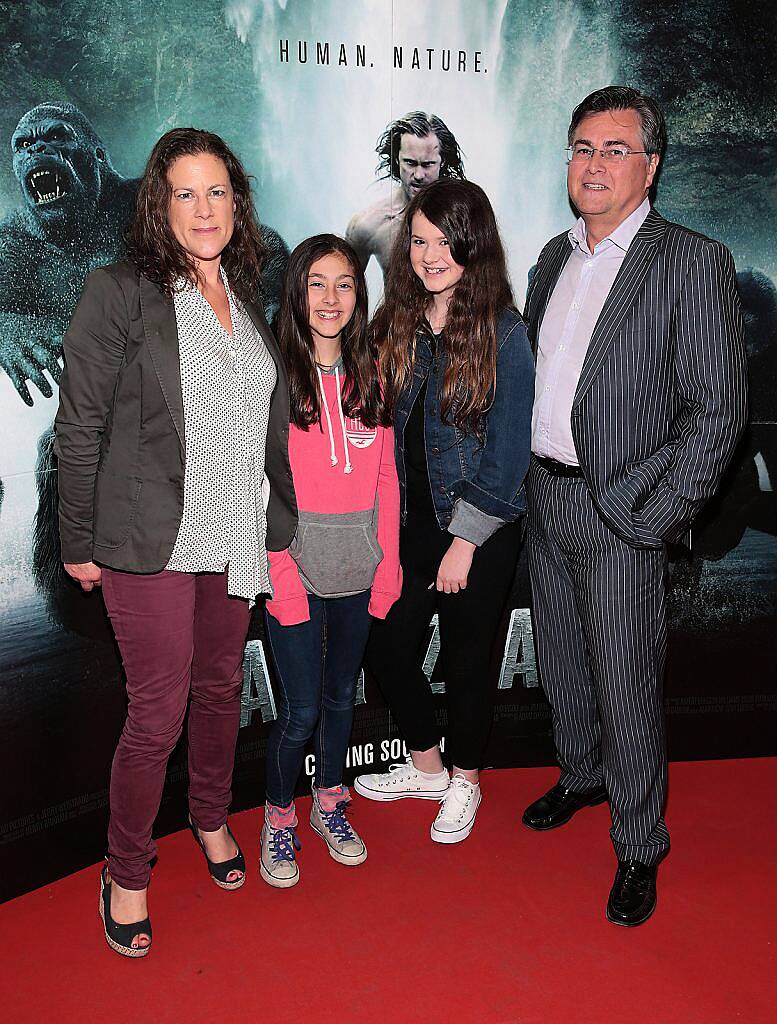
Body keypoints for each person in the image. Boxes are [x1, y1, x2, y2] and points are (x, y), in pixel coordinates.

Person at [54, 128, 297, 957]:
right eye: (184, 192)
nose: (203, 209)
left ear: (239, 202)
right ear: (158, 203)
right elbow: (80, 425)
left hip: (232, 530)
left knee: (223, 688)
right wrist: (76, 538)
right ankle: (125, 869)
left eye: (218, 191)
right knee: (157, 712)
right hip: (147, 538)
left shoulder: (245, 290)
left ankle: (207, 816)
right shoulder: (119, 290)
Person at [522, 86, 747, 926]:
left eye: (615, 149)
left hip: (622, 513)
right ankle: (580, 776)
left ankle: (639, 843)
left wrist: (656, 515)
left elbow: (717, 410)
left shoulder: (690, 261)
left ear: (649, 166)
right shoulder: (552, 257)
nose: (593, 163)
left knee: (625, 683)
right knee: (563, 666)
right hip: (543, 498)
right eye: (582, 146)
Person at [354, 178, 534, 843]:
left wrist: (465, 542)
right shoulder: (395, 321)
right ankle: (427, 766)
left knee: (464, 657)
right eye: (420, 241)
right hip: (407, 525)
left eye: (445, 242)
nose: (430, 256)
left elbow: (509, 451)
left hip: (477, 529)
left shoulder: (504, 332)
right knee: (386, 645)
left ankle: (465, 779)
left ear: (472, 244)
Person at [259, 234, 401, 887]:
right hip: (294, 564)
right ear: (296, 291)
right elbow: (256, 487)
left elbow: (386, 482)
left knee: (343, 696)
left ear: (358, 295)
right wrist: (279, 576)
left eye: (344, 283)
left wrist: (388, 564)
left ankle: (330, 803)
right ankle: (277, 818)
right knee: (301, 710)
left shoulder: (373, 371)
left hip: (357, 567)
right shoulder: (273, 376)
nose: (330, 297)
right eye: (317, 282)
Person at [346, 111, 465, 275]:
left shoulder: (466, 219)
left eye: (428, 164)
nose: (418, 175)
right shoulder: (368, 225)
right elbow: (346, 288)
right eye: (410, 163)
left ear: (442, 162)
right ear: (397, 159)